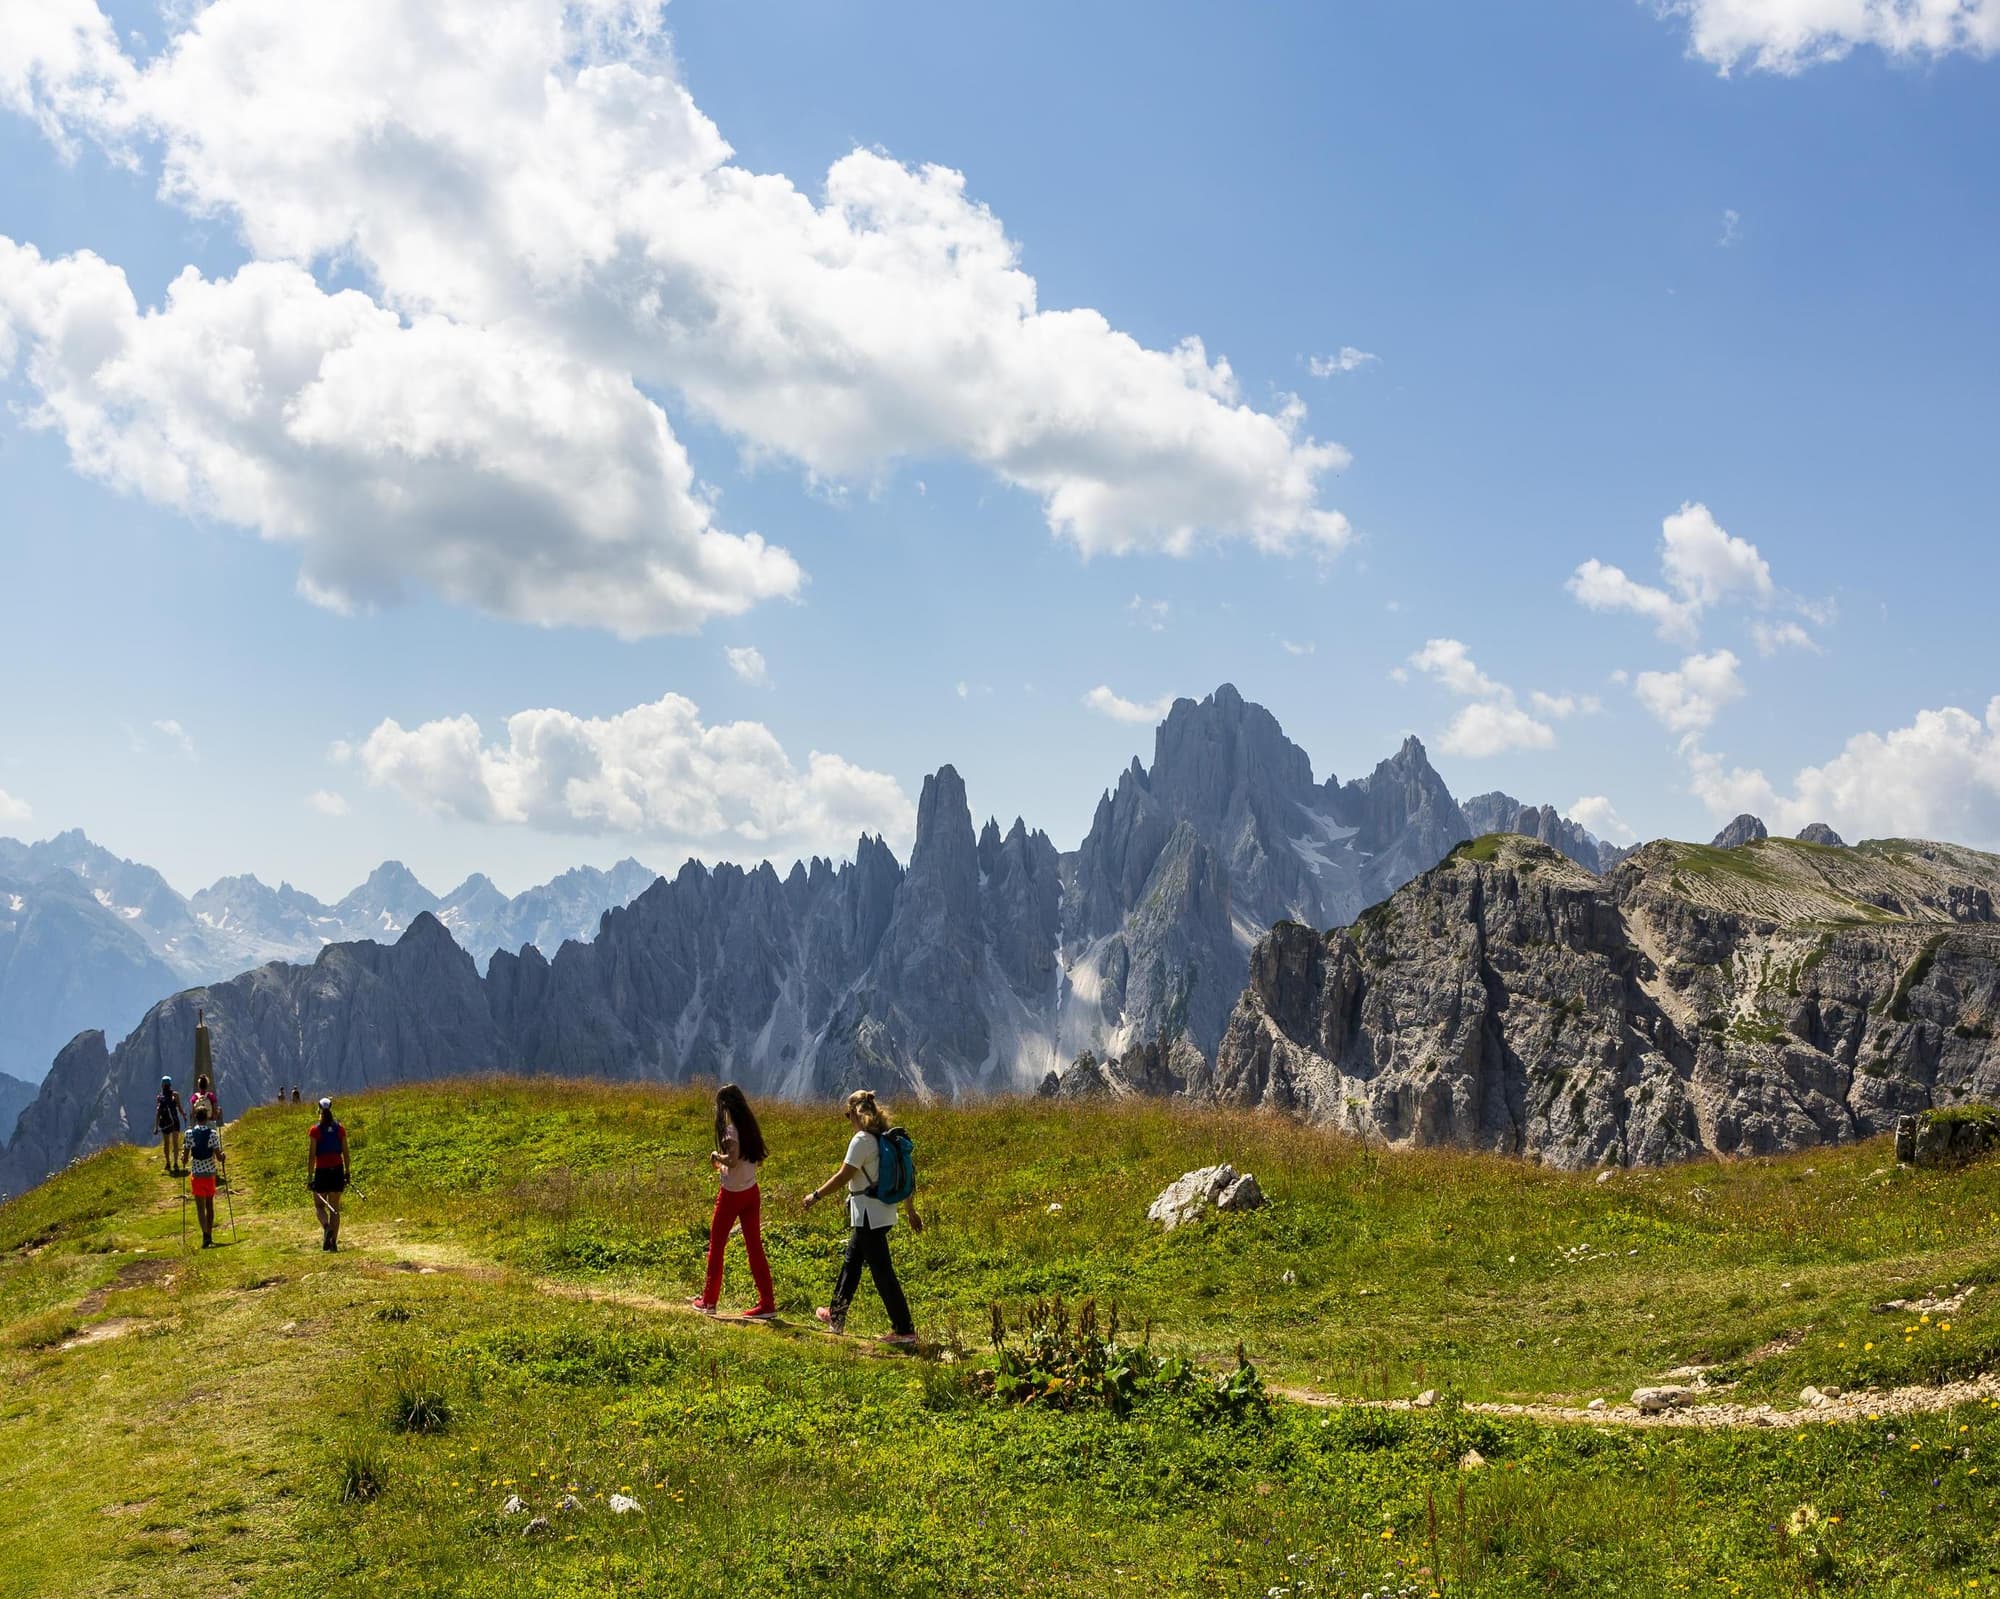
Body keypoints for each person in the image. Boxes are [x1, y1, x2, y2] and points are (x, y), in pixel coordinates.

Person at [800, 1089, 917, 1345]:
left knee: (882, 1273)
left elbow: (843, 1176)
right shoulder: (881, 1137)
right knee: (851, 1264)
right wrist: (910, 1210)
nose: (847, 1119)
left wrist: (815, 1196)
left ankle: (904, 1329)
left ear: (854, 1113)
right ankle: (836, 1316)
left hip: (867, 1215)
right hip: (881, 1212)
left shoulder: (862, 1140)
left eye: (847, 1114)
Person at [690, 1084, 777, 1320]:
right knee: (754, 1248)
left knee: (717, 1245)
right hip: (751, 1191)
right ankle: (767, 1303)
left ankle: (708, 1301)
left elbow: (734, 1159)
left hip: (731, 1195)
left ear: (725, 1106)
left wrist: (717, 1157)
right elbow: (754, 1161)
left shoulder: (730, 1130)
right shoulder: (749, 1126)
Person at [307, 1098, 350, 1251]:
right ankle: (333, 1243)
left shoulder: (315, 1130)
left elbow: (312, 1155)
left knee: (319, 1206)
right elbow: (345, 1152)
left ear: (318, 1109)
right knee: (335, 1208)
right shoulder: (340, 1129)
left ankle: (326, 1227)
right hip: (337, 1170)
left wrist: (310, 1176)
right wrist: (347, 1172)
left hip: (322, 1171)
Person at [182, 1105, 225, 1248]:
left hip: (197, 1174)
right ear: (206, 1118)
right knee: (209, 1205)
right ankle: (210, 1234)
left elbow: (186, 1157)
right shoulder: (212, 1134)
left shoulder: (189, 1134)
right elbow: (219, 1157)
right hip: (210, 1173)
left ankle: (205, 1235)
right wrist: (223, 1156)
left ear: (195, 1117)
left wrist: (182, 1159)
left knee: (200, 1207)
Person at [154, 1076, 184, 1174]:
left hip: (165, 1123)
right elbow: (179, 1107)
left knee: (166, 1143)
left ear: (162, 1085)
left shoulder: (159, 1097)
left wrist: (156, 1126)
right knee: (175, 1143)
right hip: (174, 1121)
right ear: (170, 1084)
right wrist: (184, 1115)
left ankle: (168, 1163)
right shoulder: (175, 1094)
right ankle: (175, 1163)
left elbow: (158, 1113)